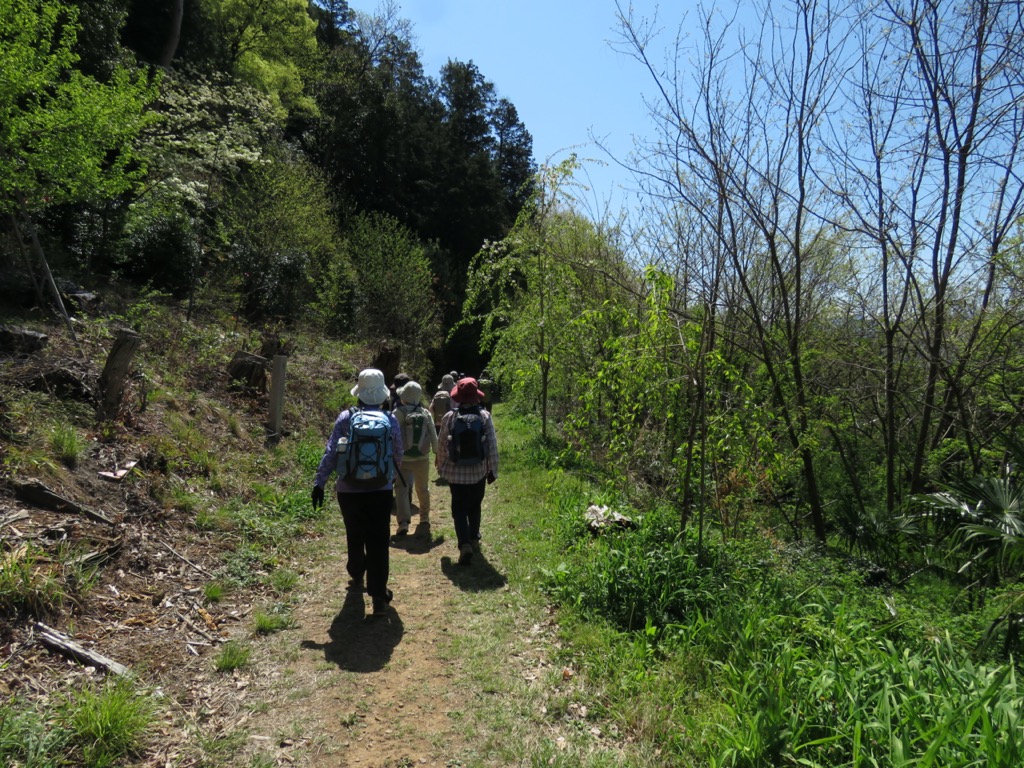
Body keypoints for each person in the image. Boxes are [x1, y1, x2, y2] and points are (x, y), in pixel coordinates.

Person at [311, 369, 403, 615]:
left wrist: (319, 483)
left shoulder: (345, 417)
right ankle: (378, 597)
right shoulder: (390, 419)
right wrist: (388, 478)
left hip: (349, 491)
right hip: (380, 489)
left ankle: (356, 572)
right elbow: (398, 455)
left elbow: (331, 452)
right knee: (379, 540)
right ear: (382, 392)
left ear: (359, 392)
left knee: (355, 533)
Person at [436, 377, 498, 566]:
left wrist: (440, 464)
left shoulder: (450, 417)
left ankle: (464, 544)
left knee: (459, 508)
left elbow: (442, 445)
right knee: (475, 505)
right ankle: (473, 536)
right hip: (478, 471)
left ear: (459, 397)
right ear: (476, 396)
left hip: (456, 473)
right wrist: (493, 469)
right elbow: (492, 444)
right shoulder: (485, 416)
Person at [393, 380, 437, 536]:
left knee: (401, 489)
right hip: (422, 458)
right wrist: (437, 453)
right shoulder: (425, 413)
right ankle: (424, 517)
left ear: (403, 397)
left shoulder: (398, 413)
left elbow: (392, 434)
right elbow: (433, 433)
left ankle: (403, 522)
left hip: (402, 459)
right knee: (422, 488)